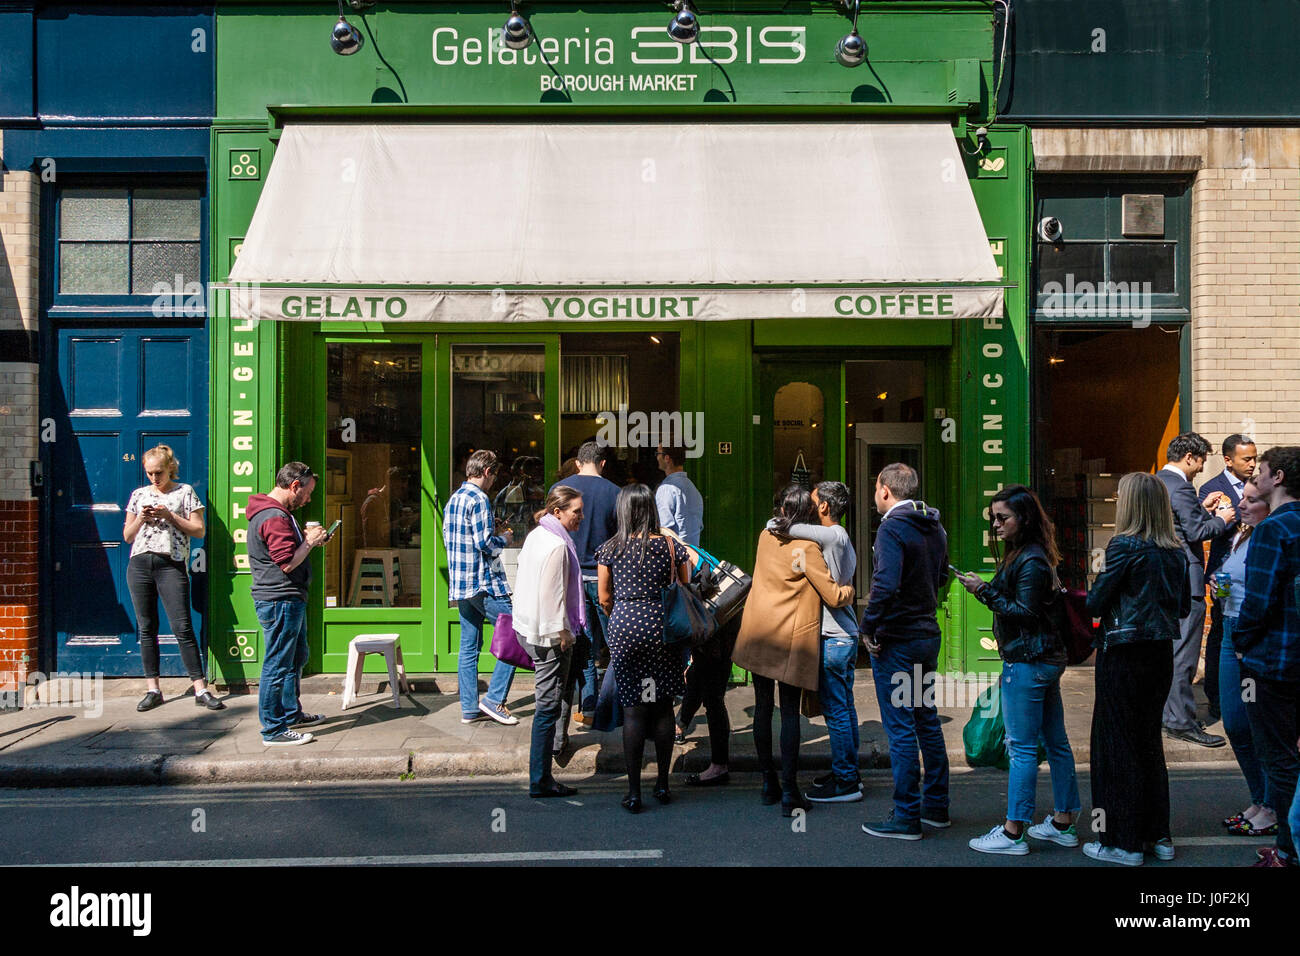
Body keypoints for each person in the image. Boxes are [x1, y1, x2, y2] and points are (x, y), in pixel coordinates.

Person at [958, 484, 1080, 855]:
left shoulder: (1029, 560)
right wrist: (984, 588)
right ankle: (1063, 821)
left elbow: (1024, 612)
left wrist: (982, 591)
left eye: (1002, 518)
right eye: (993, 518)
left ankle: (1013, 832)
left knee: (1022, 748)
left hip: (1028, 662)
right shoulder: (1027, 555)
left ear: (1023, 519)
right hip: (1041, 661)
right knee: (1055, 743)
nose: (995, 524)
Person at [1082, 471, 1190, 865]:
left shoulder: (1123, 545)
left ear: (1130, 505)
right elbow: (1181, 607)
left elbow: (1096, 602)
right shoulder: (1175, 552)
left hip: (1123, 651)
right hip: (1160, 654)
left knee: (1116, 747)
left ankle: (1122, 842)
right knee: (1148, 745)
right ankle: (1158, 836)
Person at [732, 484, 855, 817]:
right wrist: (850, 591)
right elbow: (831, 595)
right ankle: (790, 793)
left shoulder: (765, 537)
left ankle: (768, 784)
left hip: (758, 633)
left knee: (761, 709)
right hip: (787, 640)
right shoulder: (808, 548)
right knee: (788, 714)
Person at [859, 463, 951, 840]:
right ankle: (936, 808)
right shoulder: (935, 526)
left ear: (884, 490)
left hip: (896, 639)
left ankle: (906, 817)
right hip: (926, 635)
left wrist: (868, 626)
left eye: (875, 488)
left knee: (899, 729)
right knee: (926, 720)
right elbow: (942, 576)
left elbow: (885, 583)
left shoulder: (891, 528)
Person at [597, 484, 693, 813]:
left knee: (634, 709)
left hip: (625, 628)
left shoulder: (611, 548)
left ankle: (634, 792)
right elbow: (684, 582)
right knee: (662, 706)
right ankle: (663, 785)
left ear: (623, 511)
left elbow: (604, 597)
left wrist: (621, 615)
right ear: (651, 510)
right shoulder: (669, 546)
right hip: (661, 628)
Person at [1231, 446, 1300, 868]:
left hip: (1272, 660)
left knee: (1279, 759)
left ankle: (1288, 849)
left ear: (1277, 479)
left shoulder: (1274, 529)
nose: (1255, 472)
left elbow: (1258, 601)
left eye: (1263, 469)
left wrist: (1241, 640)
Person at [778, 481, 863, 803]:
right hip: (845, 635)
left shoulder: (832, 535)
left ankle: (846, 783)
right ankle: (848, 771)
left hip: (834, 635)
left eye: (813, 502)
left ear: (825, 507)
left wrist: (785, 516)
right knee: (844, 708)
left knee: (836, 711)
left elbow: (780, 527)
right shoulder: (837, 537)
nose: (811, 507)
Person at [123, 445, 222, 712]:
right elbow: (127, 536)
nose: (155, 478)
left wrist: (170, 516)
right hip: (140, 563)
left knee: (182, 627)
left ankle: (200, 689)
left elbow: (199, 530)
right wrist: (142, 518)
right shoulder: (139, 495)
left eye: (159, 472)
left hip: (171, 563)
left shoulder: (184, 492)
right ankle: (153, 689)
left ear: (170, 468)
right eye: (150, 473)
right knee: (146, 628)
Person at [1156, 432, 1234, 747]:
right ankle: (1180, 722)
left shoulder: (1158, 482)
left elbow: (1177, 523)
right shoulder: (1180, 486)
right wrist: (1224, 519)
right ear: (1189, 456)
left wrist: (1201, 506)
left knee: (1170, 652)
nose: (1200, 469)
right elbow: (1197, 531)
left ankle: (1168, 715)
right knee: (1184, 655)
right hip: (1185, 582)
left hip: (1165, 580)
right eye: (1200, 461)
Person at [247, 462, 330, 745]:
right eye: (307, 493)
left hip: (286, 598)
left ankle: (291, 713)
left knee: (295, 657)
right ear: (294, 486)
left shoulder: (278, 513)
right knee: (278, 663)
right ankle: (273, 728)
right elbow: (285, 562)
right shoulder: (274, 517)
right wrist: (308, 543)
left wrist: (309, 541)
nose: (308, 499)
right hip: (280, 598)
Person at [513, 485, 585, 798]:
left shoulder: (536, 535)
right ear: (558, 512)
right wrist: (564, 634)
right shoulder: (557, 546)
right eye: (576, 511)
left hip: (528, 629)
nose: (581, 516)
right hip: (549, 637)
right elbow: (552, 596)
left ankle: (542, 775)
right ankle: (540, 780)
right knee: (546, 708)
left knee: (550, 704)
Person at [549, 441, 620, 746]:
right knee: (615, 645)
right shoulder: (615, 493)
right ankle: (610, 710)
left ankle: (588, 703)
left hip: (571, 578)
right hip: (604, 578)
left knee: (583, 648)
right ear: (602, 463)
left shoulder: (560, 487)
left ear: (578, 463)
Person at [1216, 480, 1277, 837]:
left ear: (1269, 506)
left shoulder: (1269, 537)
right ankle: (1259, 799)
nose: (1241, 504)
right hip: (1228, 630)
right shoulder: (1242, 535)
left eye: (1251, 500)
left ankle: (1270, 806)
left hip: (1250, 636)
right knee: (1235, 723)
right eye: (1243, 498)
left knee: (1258, 726)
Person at [443, 449, 519, 726]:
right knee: (515, 633)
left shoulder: (455, 499)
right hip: (482, 582)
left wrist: (492, 530)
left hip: (462, 582)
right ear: (487, 472)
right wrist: (506, 539)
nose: (494, 481)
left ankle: (469, 708)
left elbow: (462, 538)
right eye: (494, 475)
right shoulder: (479, 498)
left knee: (468, 646)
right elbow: (484, 544)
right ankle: (493, 699)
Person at [1199, 434, 1257, 724]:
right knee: (1222, 630)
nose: (1252, 464)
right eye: (1246, 458)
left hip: (1251, 575)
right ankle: (1217, 697)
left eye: (1254, 458)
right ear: (1227, 459)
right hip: (1222, 576)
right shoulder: (1212, 489)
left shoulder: (1257, 486)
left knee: (1247, 636)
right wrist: (1228, 518)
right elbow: (1202, 530)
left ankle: (1247, 697)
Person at [655, 444, 704, 546]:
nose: (657, 457)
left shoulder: (666, 489)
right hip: (693, 553)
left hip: (676, 555)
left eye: (658, 453)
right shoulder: (692, 487)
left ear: (667, 458)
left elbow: (664, 529)